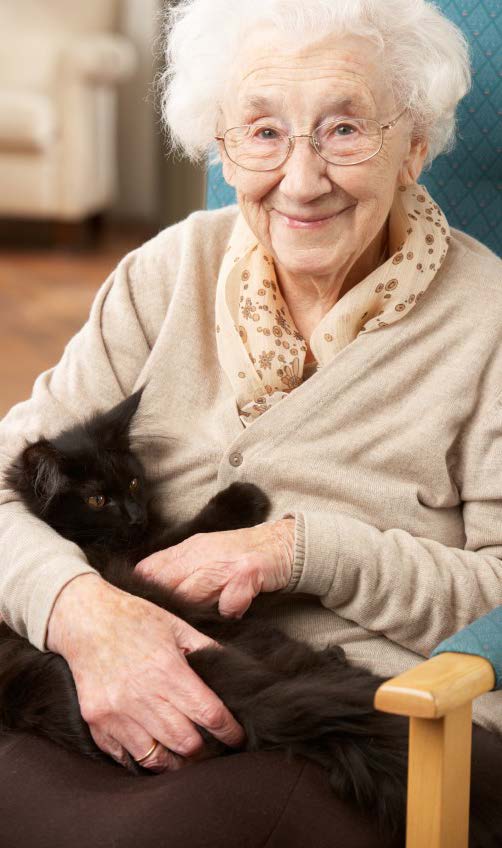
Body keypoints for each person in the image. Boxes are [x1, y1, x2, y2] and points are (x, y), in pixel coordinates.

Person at [0, 1, 501, 845]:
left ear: (415, 144)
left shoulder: (488, 323)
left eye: (345, 129)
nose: (302, 180)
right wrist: (82, 614)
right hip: (104, 678)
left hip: (358, 724)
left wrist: (300, 551)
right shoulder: (165, 274)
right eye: (263, 132)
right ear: (221, 149)